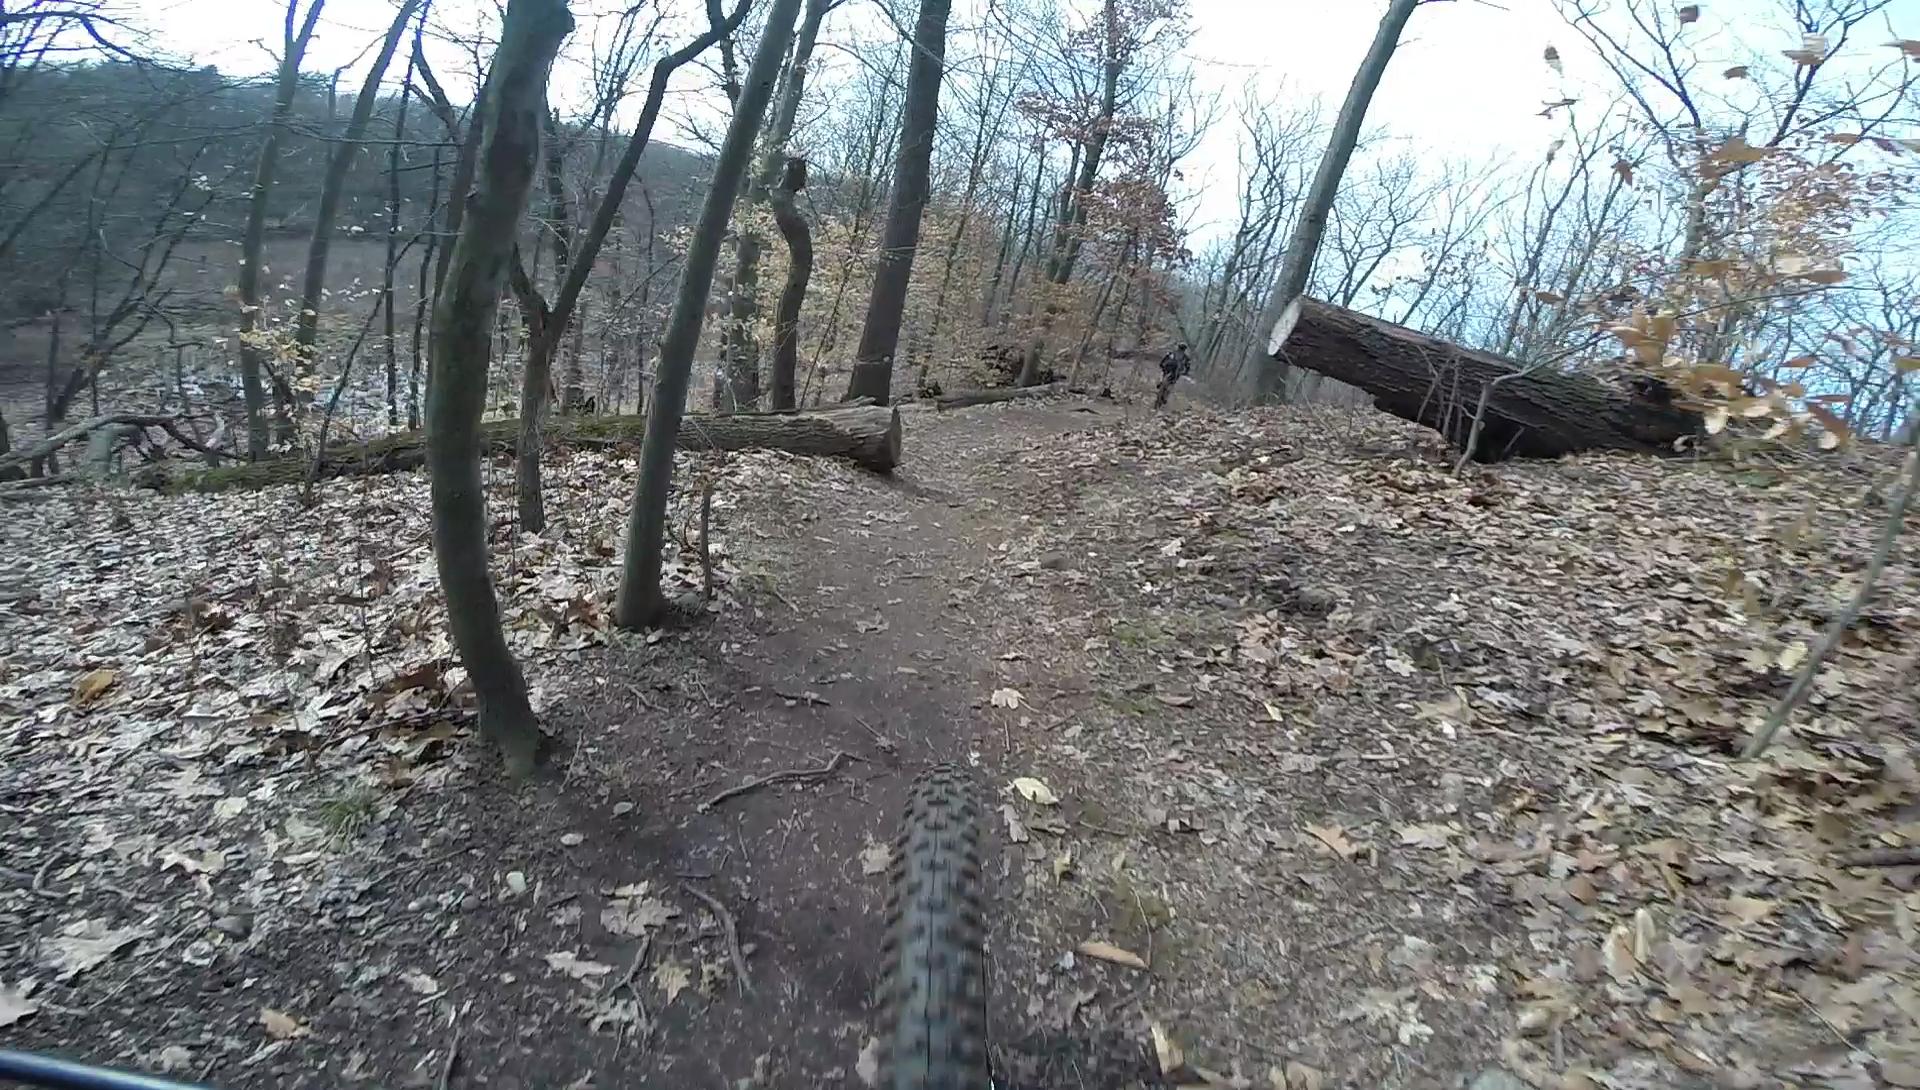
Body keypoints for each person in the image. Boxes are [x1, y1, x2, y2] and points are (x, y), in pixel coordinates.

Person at [1154, 342, 1192, 409]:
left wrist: (1161, 364)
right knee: (1172, 383)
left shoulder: (1171, 353)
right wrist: (1186, 372)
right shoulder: (1185, 357)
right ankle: (1165, 396)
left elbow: (1164, 359)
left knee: (1163, 374)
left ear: (1178, 347)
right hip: (1176, 372)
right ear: (1184, 349)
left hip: (1167, 368)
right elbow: (1188, 366)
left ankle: (1160, 382)